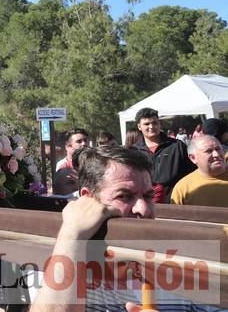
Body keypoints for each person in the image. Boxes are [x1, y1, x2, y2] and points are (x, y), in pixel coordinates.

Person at [31, 145, 205, 311]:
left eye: (148, 195)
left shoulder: (182, 261)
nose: (143, 209)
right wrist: (71, 234)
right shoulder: (58, 260)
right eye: (124, 196)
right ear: (87, 198)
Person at [132, 107, 194, 203]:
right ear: (139, 126)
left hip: (175, 202)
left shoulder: (177, 146)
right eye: (146, 124)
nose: (151, 127)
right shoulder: (133, 151)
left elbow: (190, 174)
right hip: (145, 204)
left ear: (159, 124)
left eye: (154, 123)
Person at [171, 135, 228, 207]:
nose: (216, 154)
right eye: (208, 151)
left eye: (218, 149)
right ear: (193, 158)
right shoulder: (183, 188)